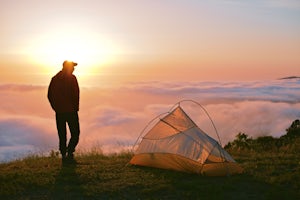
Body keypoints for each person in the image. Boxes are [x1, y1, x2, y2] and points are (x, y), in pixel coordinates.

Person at [48, 60, 80, 163]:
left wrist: (56, 108)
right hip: (71, 111)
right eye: (72, 67)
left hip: (60, 112)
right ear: (68, 67)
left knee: (62, 135)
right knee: (75, 133)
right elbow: (76, 94)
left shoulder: (55, 79)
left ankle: (64, 155)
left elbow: (50, 95)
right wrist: (75, 107)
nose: (74, 69)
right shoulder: (72, 78)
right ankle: (69, 153)